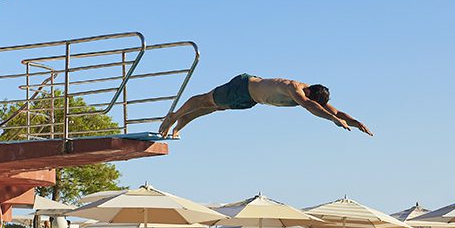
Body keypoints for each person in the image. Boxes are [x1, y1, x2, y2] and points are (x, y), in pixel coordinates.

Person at [159, 74, 373, 138]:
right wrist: (334, 121)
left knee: (213, 108)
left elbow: (334, 110)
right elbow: (310, 106)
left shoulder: (313, 97)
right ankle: (173, 116)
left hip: (250, 100)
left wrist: (356, 122)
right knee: (206, 100)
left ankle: (178, 126)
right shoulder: (295, 89)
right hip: (243, 87)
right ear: (308, 91)